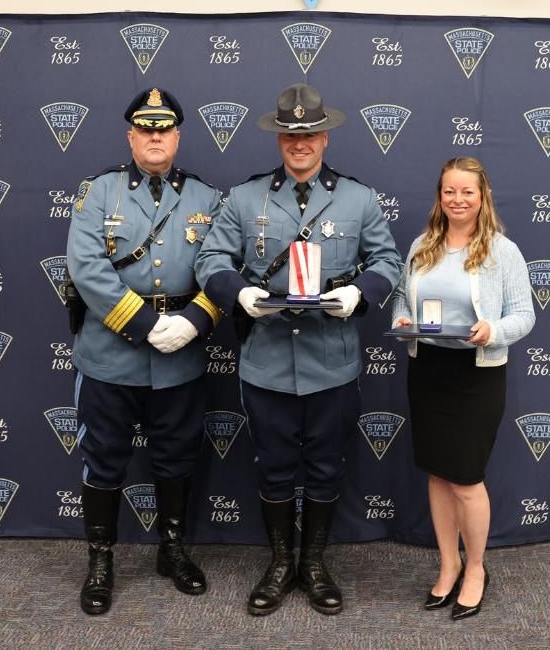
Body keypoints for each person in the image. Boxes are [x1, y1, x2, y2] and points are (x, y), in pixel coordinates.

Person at [195, 83, 402, 616]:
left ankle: (314, 563)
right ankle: (281, 561)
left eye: (309, 133)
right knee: (274, 467)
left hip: (331, 362)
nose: (300, 142)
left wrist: (359, 294)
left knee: (327, 468)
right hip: (265, 362)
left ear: (325, 137)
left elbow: (388, 263)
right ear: (279, 138)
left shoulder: (358, 198)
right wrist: (238, 294)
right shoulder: (246, 198)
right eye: (291, 134)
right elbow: (210, 259)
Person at [66, 87, 224, 615]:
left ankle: (172, 550)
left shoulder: (206, 198)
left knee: (176, 456)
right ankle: (100, 559)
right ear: (131, 136)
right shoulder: (98, 193)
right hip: (112, 353)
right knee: (104, 459)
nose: (156, 138)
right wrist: (143, 323)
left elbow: (223, 268)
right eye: (146, 130)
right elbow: (86, 268)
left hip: (180, 353)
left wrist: (193, 322)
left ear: (177, 137)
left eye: (165, 130)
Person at [390, 156, 535, 620]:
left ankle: (476, 568)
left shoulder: (501, 251)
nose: (458, 200)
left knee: (467, 479)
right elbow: (399, 297)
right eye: (449, 191)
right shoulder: (421, 244)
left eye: (467, 192)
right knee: (437, 473)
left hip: (476, 374)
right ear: (439, 196)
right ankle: (448, 565)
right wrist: (401, 319)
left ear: (482, 196)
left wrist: (493, 330)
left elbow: (525, 315)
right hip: (428, 369)